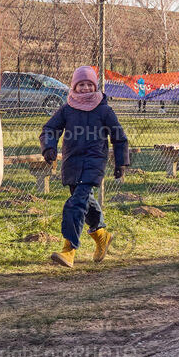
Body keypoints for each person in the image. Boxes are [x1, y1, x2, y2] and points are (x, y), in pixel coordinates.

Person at [40, 66, 129, 268]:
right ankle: (101, 235)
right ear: (74, 86)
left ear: (95, 86)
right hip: (72, 162)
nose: (85, 87)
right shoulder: (67, 109)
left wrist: (121, 162)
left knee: (75, 203)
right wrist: (49, 148)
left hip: (94, 162)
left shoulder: (104, 110)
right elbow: (49, 129)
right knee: (85, 200)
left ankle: (69, 250)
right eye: (81, 84)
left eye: (89, 84)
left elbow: (119, 137)